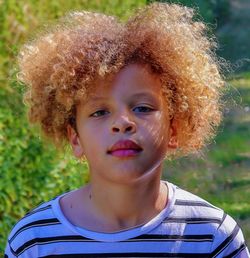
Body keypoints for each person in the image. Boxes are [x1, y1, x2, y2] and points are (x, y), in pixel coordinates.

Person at [4, 2, 249, 257]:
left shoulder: (213, 237)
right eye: (99, 112)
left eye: (142, 108)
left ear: (174, 129)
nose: (122, 121)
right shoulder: (34, 241)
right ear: (75, 138)